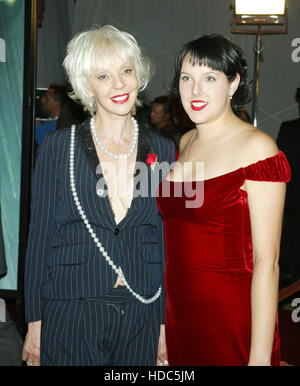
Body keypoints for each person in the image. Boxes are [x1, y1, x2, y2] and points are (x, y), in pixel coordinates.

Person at [22, 25, 175, 366]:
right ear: (86, 85)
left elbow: (165, 241)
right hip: (72, 308)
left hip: (142, 311)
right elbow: (40, 238)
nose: (119, 84)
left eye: (126, 71)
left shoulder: (164, 150)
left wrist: (164, 323)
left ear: (139, 74)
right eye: (104, 75)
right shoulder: (60, 147)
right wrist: (34, 321)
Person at [156, 34, 290, 366]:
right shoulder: (186, 141)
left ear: (233, 83)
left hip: (230, 321)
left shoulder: (257, 149)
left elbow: (266, 262)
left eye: (210, 78)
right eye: (187, 78)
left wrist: (258, 357)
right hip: (179, 317)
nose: (195, 90)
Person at [276, 87, 300, 285]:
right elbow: (279, 170)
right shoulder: (288, 129)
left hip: (292, 207)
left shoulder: (288, 129)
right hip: (293, 210)